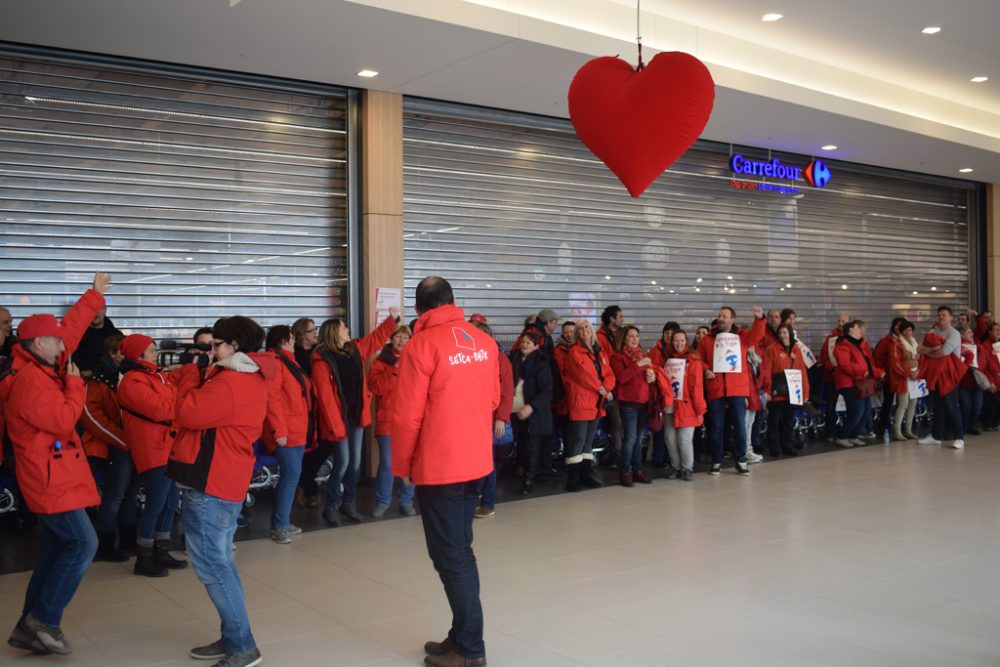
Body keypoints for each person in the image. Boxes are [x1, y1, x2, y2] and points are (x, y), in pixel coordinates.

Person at [391, 276, 499, 667]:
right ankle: (460, 637)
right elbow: (493, 398)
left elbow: (405, 418)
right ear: (454, 300)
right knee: (460, 552)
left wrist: (402, 465)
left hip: (441, 466)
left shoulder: (421, 345)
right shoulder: (483, 341)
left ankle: (470, 651)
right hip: (476, 464)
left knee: (452, 559)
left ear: (419, 309)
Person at [2, 271, 110, 656]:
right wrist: (75, 384)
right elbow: (63, 420)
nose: (62, 345)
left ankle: (28, 627)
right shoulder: (32, 381)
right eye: (54, 340)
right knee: (83, 543)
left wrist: (94, 296)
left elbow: (72, 330)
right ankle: (44, 622)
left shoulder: (43, 364)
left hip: (54, 475)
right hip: (49, 479)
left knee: (54, 551)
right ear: (37, 343)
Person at [167, 316, 273, 667]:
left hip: (211, 485)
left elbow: (184, 411)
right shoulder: (248, 376)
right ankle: (233, 636)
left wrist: (188, 375)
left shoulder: (229, 383)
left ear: (234, 346)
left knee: (214, 566)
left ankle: (243, 646)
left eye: (215, 345)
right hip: (224, 480)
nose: (209, 351)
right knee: (221, 563)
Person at [312, 309, 400, 526]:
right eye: (344, 327)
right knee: (343, 463)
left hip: (356, 416)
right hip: (338, 420)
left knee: (356, 464)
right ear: (335, 332)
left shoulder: (354, 349)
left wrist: (393, 321)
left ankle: (348, 502)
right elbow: (325, 398)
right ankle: (331, 505)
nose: (348, 329)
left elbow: (376, 339)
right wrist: (336, 426)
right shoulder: (321, 360)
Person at [117, 334, 187, 577]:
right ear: (137, 355)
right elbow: (161, 410)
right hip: (152, 449)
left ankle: (161, 549)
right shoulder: (132, 381)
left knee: (170, 503)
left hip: (169, 446)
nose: (155, 352)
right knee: (155, 505)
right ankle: (143, 557)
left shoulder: (158, 376)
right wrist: (184, 410)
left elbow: (173, 404)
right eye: (150, 349)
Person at [79, 333, 138, 562]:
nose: (125, 355)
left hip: (131, 444)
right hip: (113, 445)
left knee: (130, 494)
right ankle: (105, 544)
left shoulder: (130, 376)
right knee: (115, 495)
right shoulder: (97, 381)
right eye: (120, 351)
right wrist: (123, 439)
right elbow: (92, 417)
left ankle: (128, 541)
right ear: (112, 353)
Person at [697, 305, 766, 476]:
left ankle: (741, 460)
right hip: (716, 387)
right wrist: (705, 369)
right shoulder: (708, 339)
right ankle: (717, 460)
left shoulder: (742, 336)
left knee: (740, 426)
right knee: (716, 427)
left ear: (732, 320)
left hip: (737, 387)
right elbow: (698, 358)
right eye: (719, 316)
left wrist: (760, 319)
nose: (721, 318)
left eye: (724, 316)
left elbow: (757, 335)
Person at [262, 325, 312, 543]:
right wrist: (279, 430)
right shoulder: (275, 361)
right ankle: (280, 526)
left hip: (297, 428)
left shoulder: (289, 360)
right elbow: (271, 398)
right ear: (282, 339)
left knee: (291, 476)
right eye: (291, 337)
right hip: (287, 431)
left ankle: (281, 521)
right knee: (291, 475)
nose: (294, 340)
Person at [368, 324, 417, 517]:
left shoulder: (416, 361)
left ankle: (406, 501)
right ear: (392, 338)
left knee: (409, 463)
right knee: (387, 464)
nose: (402, 341)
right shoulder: (380, 362)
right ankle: (383, 501)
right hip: (387, 421)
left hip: (410, 421)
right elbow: (377, 388)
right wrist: (396, 369)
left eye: (406, 337)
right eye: (399, 337)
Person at [563, 319, 615, 491]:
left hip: (596, 403)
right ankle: (573, 479)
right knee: (578, 440)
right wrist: (601, 388)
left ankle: (585, 475)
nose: (585, 329)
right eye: (581, 328)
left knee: (588, 441)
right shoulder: (574, 352)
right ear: (577, 333)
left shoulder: (599, 353)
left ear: (592, 331)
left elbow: (610, 375)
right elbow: (583, 375)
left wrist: (606, 388)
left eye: (587, 327)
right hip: (581, 401)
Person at [471, 320, 513, 519]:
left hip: (490, 419)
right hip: (474, 419)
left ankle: (488, 502)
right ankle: (473, 498)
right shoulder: (473, 358)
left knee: (487, 463)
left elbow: (507, 392)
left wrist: (501, 419)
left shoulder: (500, 359)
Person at [509, 328, 554, 495]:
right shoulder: (513, 359)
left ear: (536, 346)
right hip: (513, 410)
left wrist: (531, 407)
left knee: (532, 447)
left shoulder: (542, 363)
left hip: (533, 412)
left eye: (529, 342)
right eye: (523, 341)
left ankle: (528, 480)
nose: (524, 344)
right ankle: (517, 471)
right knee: (515, 444)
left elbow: (547, 391)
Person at [610, 325, 654, 486]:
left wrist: (651, 376)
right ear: (624, 339)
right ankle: (625, 471)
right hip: (628, 403)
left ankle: (638, 470)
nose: (635, 339)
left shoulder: (643, 355)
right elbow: (621, 378)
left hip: (643, 401)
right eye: (631, 336)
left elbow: (645, 378)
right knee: (629, 438)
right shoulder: (617, 357)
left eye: (637, 336)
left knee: (638, 439)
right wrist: (638, 364)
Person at [918, 306, 966, 449]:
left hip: (948, 376)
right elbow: (919, 349)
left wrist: (929, 352)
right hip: (934, 376)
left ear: (951, 317)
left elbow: (945, 352)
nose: (941, 317)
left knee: (952, 407)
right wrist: (932, 349)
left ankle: (959, 438)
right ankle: (935, 436)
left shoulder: (954, 333)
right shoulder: (932, 332)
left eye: (944, 315)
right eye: (939, 315)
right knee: (936, 407)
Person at [662, 330, 706, 481]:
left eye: (682, 340)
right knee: (669, 438)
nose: (679, 343)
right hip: (670, 405)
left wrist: (700, 409)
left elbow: (697, 387)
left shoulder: (694, 361)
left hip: (687, 406)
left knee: (684, 439)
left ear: (686, 342)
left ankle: (687, 468)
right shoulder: (667, 359)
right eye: (676, 340)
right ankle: (676, 466)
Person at [761, 324, 810, 458]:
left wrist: (805, 392)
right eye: (780, 333)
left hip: (792, 392)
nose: (782, 335)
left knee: (788, 421)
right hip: (777, 392)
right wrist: (767, 390)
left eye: (785, 332)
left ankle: (787, 445)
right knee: (774, 422)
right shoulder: (772, 349)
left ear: (790, 333)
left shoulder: (797, 349)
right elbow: (766, 371)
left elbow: (803, 372)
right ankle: (774, 447)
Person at [833, 320, 884, 448]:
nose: (861, 330)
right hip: (849, 383)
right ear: (850, 329)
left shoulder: (860, 345)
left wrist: (877, 372)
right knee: (856, 411)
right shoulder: (842, 344)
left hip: (862, 382)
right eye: (858, 327)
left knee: (865, 410)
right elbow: (845, 364)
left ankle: (853, 435)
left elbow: (867, 364)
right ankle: (842, 436)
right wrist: (864, 372)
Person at [647, 322, 680, 467]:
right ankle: (658, 457)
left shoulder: (679, 351)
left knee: (672, 428)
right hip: (659, 395)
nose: (669, 336)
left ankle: (670, 456)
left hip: (676, 394)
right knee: (659, 427)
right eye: (666, 333)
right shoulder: (655, 351)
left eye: (672, 333)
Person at [596, 305, 624, 463]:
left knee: (620, 421)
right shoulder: (600, 337)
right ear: (612, 319)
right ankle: (616, 456)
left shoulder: (623, 333)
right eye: (620, 316)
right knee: (615, 421)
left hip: (623, 384)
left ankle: (619, 454)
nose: (622, 319)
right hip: (609, 385)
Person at [820, 313, 851, 440]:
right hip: (832, 377)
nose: (840, 323)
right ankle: (830, 432)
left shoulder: (851, 338)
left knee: (851, 406)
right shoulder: (830, 338)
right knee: (831, 407)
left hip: (847, 378)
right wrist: (832, 369)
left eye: (843, 321)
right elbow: (824, 356)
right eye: (839, 321)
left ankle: (848, 431)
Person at [888, 320, 919, 441]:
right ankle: (897, 431)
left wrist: (918, 372)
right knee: (903, 404)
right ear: (901, 332)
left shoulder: (914, 343)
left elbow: (920, 358)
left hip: (915, 377)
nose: (908, 332)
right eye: (905, 330)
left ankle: (908, 429)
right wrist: (909, 373)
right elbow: (895, 363)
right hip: (902, 378)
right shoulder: (897, 344)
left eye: (910, 330)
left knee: (913, 403)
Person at [874, 318, 906, 434]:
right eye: (896, 325)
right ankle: (883, 424)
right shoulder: (885, 341)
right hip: (889, 376)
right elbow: (878, 359)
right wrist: (881, 373)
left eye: (901, 325)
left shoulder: (906, 340)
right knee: (887, 401)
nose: (898, 327)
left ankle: (898, 424)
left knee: (901, 402)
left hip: (902, 376)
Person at [72, 304, 123, 375]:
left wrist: (93, 372)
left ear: (105, 310)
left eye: (99, 308)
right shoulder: (76, 335)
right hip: (83, 380)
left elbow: (122, 362)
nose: (96, 312)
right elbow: (72, 363)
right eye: (92, 309)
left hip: (111, 381)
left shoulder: (116, 336)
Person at [957, 325, 984, 436]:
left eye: (971, 332)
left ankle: (972, 425)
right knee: (966, 406)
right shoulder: (959, 347)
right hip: (964, 381)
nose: (971, 334)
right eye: (969, 332)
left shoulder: (977, 345)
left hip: (977, 380)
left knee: (977, 406)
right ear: (962, 335)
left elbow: (983, 360)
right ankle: (964, 426)